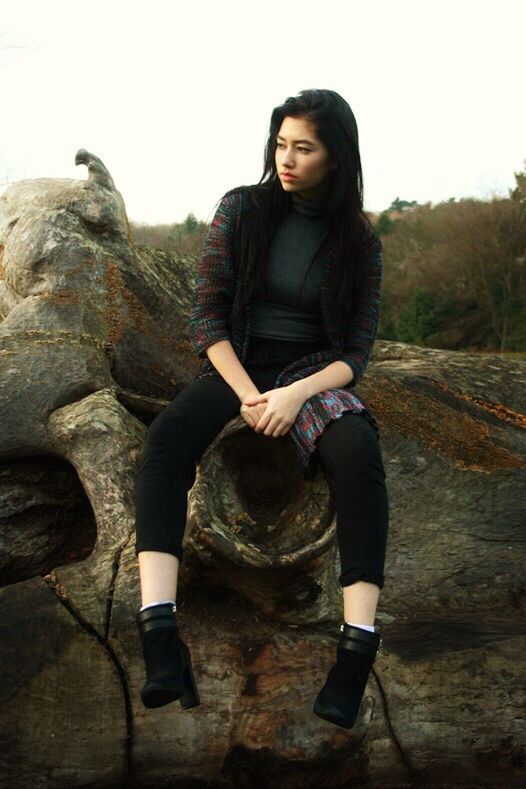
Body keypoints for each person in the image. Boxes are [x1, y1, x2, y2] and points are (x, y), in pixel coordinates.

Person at [134, 88, 389, 730]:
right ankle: (160, 640)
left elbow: (355, 354)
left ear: (336, 156)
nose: (288, 158)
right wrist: (247, 393)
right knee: (164, 446)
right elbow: (207, 316)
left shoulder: (359, 240)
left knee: (358, 457)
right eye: (281, 143)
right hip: (238, 361)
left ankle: (355, 655)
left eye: (304, 147)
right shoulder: (241, 210)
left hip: (310, 373)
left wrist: (297, 394)